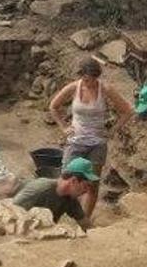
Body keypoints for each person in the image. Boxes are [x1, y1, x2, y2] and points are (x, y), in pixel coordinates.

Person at [48, 57, 133, 218]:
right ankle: (59, 217)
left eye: (91, 79)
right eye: (85, 78)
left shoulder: (105, 89)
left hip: (97, 144)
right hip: (75, 142)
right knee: (65, 180)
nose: (88, 82)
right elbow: (53, 106)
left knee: (91, 185)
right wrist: (63, 127)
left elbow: (127, 110)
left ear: (97, 76)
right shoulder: (74, 87)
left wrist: (113, 130)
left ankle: (84, 221)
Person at [12, 157, 97, 231]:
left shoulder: (70, 198)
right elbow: (10, 210)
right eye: (85, 186)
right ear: (74, 181)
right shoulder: (40, 189)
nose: (86, 191)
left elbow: (86, 225)